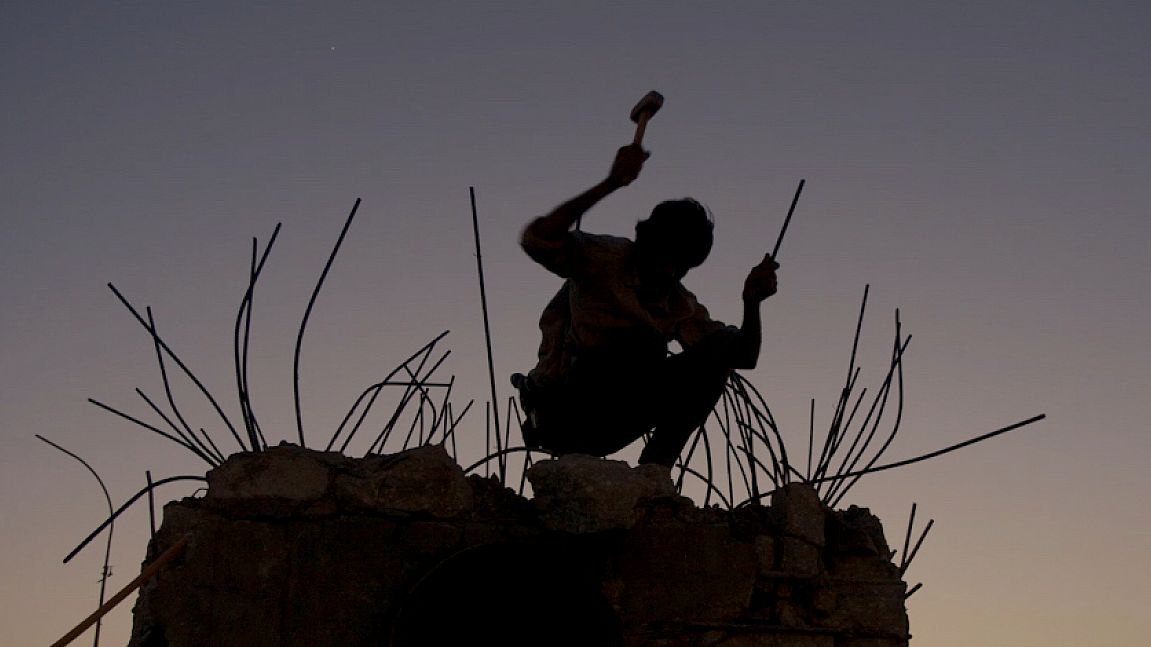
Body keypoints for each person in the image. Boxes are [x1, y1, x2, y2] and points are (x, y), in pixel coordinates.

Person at [513, 144, 779, 467]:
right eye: (665, 258)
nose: (670, 272)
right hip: (562, 412)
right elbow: (538, 240)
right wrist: (611, 182)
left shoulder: (678, 302)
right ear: (646, 243)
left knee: (713, 359)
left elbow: (742, 355)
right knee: (642, 343)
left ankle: (653, 474)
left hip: (615, 418)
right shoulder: (603, 258)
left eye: (681, 265)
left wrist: (752, 303)